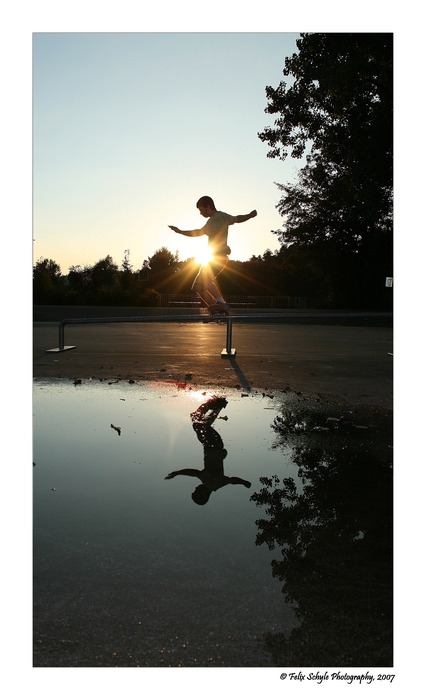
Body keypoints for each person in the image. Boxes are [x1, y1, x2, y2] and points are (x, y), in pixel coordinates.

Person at [169, 196, 257, 314]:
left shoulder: (214, 220)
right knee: (197, 286)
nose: (200, 213)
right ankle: (215, 308)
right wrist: (250, 216)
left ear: (208, 207)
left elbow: (199, 232)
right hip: (217, 257)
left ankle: (221, 302)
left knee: (205, 279)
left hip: (217, 257)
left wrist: (180, 231)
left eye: (201, 210)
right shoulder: (224, 216)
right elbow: (238, 218)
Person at [164, 396, 251, 505]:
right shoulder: (209, 482)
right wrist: (177, 473)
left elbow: (232, 480)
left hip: (215, 446)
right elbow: (194, 473)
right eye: (196, 490)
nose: (196, 487)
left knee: (202, 424)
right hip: (212, 447)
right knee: (197, 423)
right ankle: (214, 403)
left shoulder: (217, 485)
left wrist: (244, 482)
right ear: (203, 494)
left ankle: (218, 404)